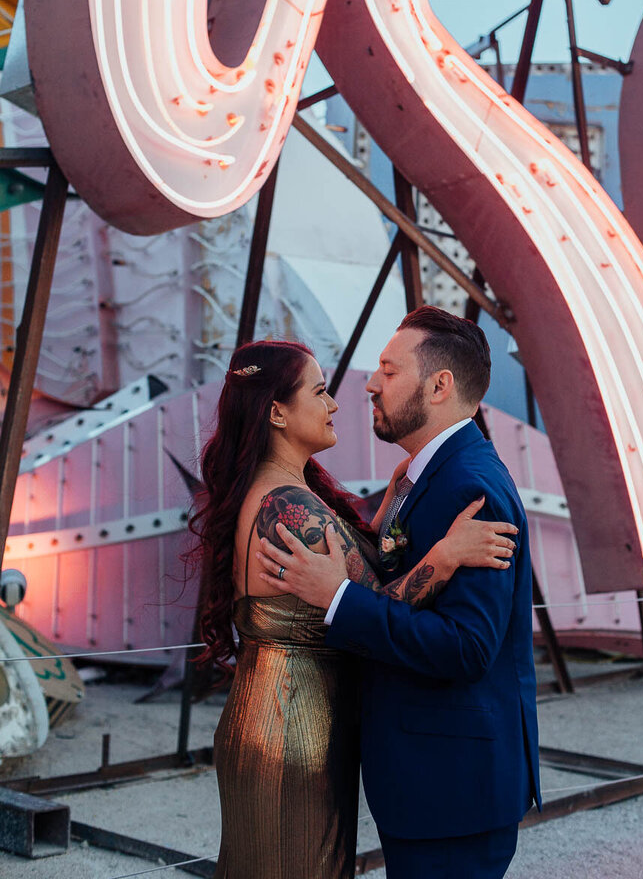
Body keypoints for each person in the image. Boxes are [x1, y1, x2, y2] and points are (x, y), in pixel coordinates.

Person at [190, 338, 519, 879]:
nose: (335, 403)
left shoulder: (286, 490)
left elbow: (350, 570)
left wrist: (390, 502)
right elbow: (365, 603)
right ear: (277, 412)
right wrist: (444, 555)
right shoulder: (286, 506)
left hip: (291, 711)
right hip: (289, 721)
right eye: (319, 392)